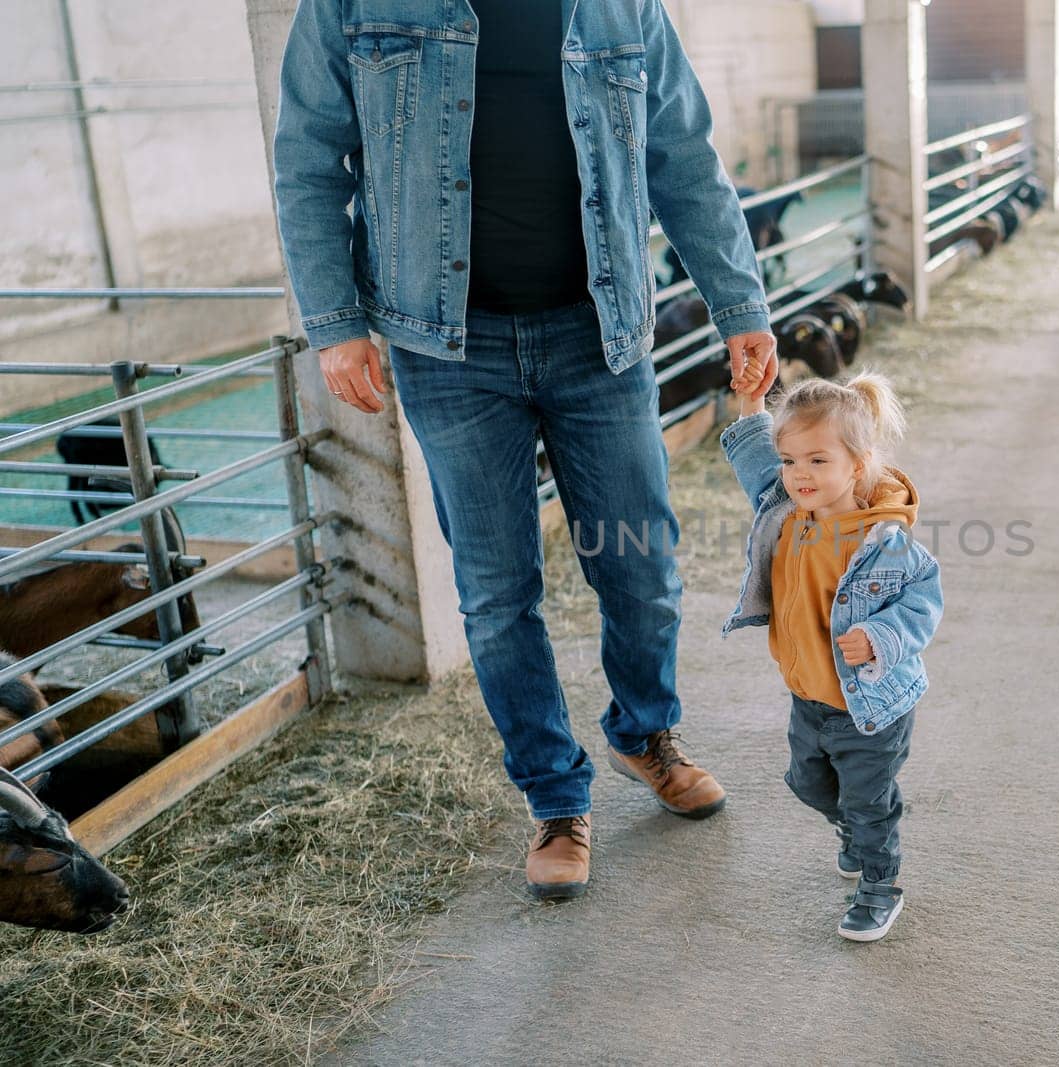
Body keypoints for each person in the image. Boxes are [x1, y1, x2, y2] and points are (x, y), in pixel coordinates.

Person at [271, 0, 780, 901]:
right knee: (499, 592)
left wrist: (739, 304)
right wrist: (336, 320)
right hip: (447, 349)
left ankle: (643, 731)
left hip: (602, 335)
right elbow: (311, 159)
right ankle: (554, 796)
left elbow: (683, 155)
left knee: (643, 564)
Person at [718, 364, 944, 941]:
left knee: (868, 803)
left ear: (858, 466)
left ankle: (879, 883)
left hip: (869, 706)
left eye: (818, 461)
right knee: (810, 785)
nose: (799, 475)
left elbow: (923, 602)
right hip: (809, 699)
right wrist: (750, 404)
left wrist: (881, 637)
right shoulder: (787, 514)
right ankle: (859, 826)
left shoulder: (881, 540)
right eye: (792, 462)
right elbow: (754, 464)